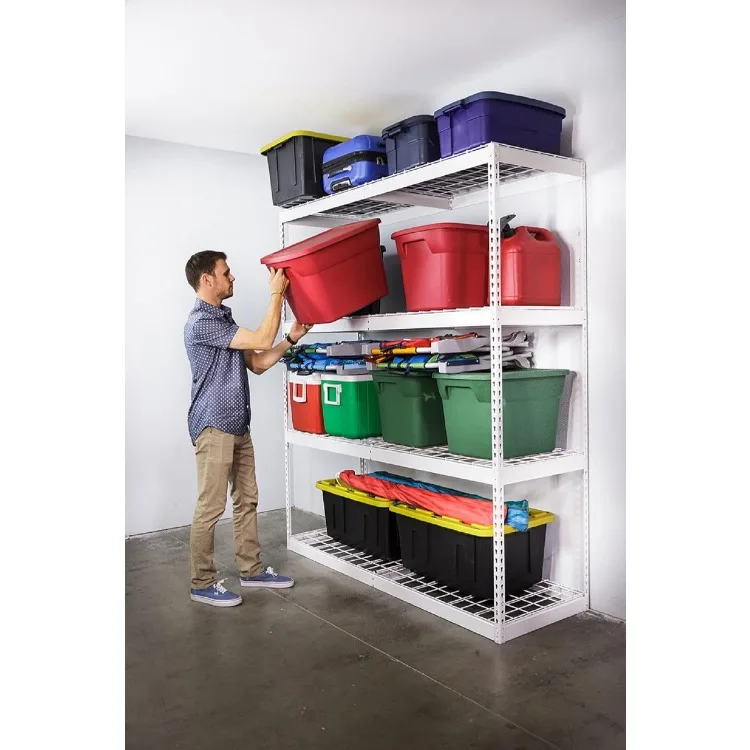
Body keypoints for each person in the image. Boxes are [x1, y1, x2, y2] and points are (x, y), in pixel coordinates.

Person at [183, 250, 312, 607]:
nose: (232, 277)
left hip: (238, 425)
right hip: (214, 427)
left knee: (247, 500)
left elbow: (256, 362)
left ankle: (251, 571)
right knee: (210, 507)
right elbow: (258, 339)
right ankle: (201, 582)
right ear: (207, 280)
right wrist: (276, 294)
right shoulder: (200, 323)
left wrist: (291, 339)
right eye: (226, 273)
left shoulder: (222, 319)